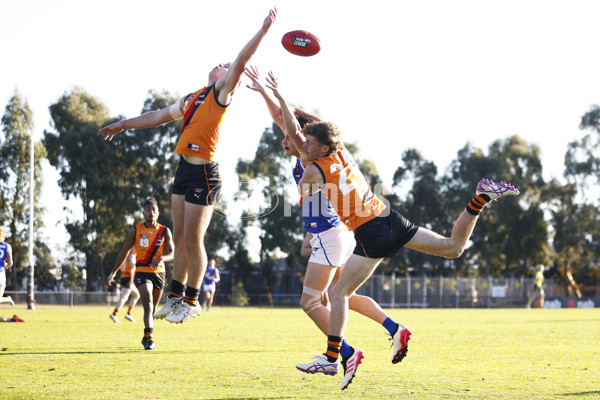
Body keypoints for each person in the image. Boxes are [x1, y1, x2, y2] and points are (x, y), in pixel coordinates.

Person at [266, 72, 520, 389]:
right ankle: (480, 198)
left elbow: (293, 132)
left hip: (372, 232)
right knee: (454, 247)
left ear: (318, 146)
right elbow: (303, 128)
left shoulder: (316, 166)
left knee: (337, 293)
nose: (303, 142)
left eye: (309, 142)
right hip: (390, 217)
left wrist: (278, 98)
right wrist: (279, 97)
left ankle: (333, 358)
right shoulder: (339, 148)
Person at [98, 8, 277, 324]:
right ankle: (176, 295)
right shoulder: (192, 97)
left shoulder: (223, 93)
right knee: (178, 236)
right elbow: (156, 117)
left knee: (194, 240)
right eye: (219, 64)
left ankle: (192, 300)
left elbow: (240, 58)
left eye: (224, 65)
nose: (219, 65)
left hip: (204, 173)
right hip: (184, 170)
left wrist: (263, 31)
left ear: (229, 75)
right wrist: (124, 124)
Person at [245, 67, 412, 390]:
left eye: (293, 137)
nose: (285, 138)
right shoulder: (314, 156)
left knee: (310, 302)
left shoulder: (311, 161)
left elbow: (290, 124)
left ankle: (342, 354)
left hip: (329, 236)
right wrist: (265, 93)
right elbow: (283, 119)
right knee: (343, 295)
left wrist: (276, 94)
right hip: (337, 235)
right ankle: (394, 328)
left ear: (307, 142)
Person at [107, 198, 174, 350]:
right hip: (142, 272)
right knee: (148, 302)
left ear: (158, 213)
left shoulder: (164, 231)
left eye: (154, 210)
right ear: (143, 213)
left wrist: (161, 258)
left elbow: (173, 253)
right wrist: (113, 272)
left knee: (152, 310)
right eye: (148, 210)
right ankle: (150, 340)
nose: (151, 213)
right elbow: (124, 252)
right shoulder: (135, 230)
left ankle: (146, 336)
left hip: (159, 273)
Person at [109, 247, 140, 323]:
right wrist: (137, 266)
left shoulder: (126, 255)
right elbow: (132, 264)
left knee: (136, 295)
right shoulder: (131, 255)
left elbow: (121, 268)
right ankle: (114, 313)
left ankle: (128, 313)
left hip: (125, 277)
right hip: (128, 278)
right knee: (124, 297)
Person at [0, 227, 14, 307]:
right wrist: (6, 265)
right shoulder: (7, 246)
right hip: (1, 273)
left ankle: (8, 299)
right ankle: (8, 299)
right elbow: (10, 263)